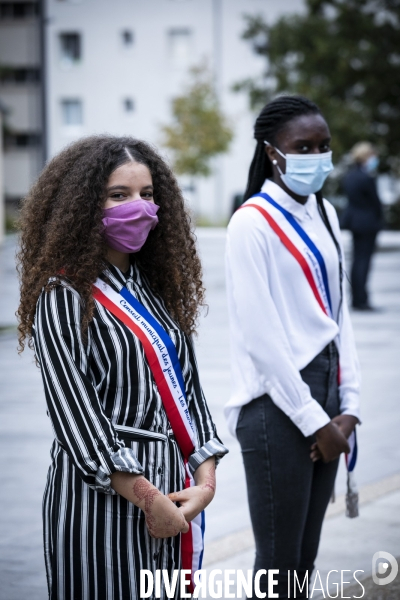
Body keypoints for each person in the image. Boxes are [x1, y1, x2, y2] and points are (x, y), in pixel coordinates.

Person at [16, 136, 228, 600]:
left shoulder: (156, 289)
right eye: (119, 195)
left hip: (176, 491)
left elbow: (191, 393)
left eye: (148, 195)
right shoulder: (64, 295)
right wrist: (148, 499)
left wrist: (205, 485)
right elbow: (76, 419)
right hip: (104, 501)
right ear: (82, 205)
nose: (139, 207)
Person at [224, 96, 360, 599]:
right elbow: (261, 340)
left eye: (323, 147)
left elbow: (338, 313)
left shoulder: (325, 212)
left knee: (304, 558)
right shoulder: (251, 223)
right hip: (276, 404)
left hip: (325, 398)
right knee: (278, 563)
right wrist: (314, 420)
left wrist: (351, 407)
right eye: (303, 147)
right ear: (271, 152)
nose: (317, 157)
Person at [341, 141, 383, 310]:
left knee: (358, 261)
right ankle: (361, 300)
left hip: (354, 222)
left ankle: (356, 298)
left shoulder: (350, 176)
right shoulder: (366, 177)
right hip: (367, 223)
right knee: (363, 261)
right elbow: (375, 202)